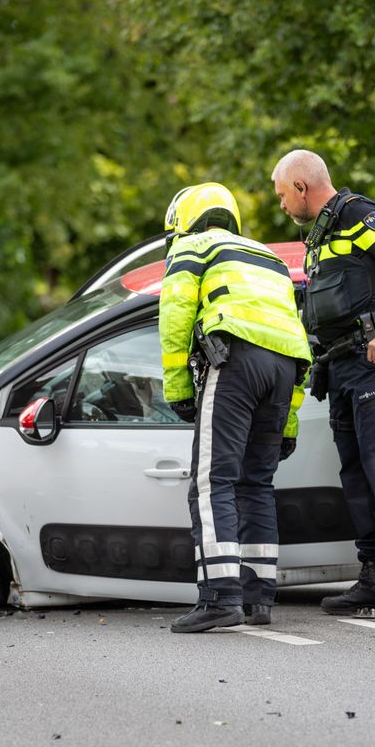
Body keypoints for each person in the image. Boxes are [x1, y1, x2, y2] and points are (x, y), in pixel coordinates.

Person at [270, 149, 375, 622]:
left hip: (373, 359)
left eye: (283, 194)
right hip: (342, 364)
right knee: (356, 471)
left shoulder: (357, 215)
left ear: (303, 187)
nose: (282, 204)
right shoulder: (320, 234)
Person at [159, 182, 311, 633]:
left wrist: (178, 387)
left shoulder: (194, 247)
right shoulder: (270, 259)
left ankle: (219, 597)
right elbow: (295, 338)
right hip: (284, 369)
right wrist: (289, 422)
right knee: (256, 484)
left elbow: (176, 316)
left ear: (184, 221)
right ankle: (257, 597)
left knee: (211, 482)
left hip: (235, 359)